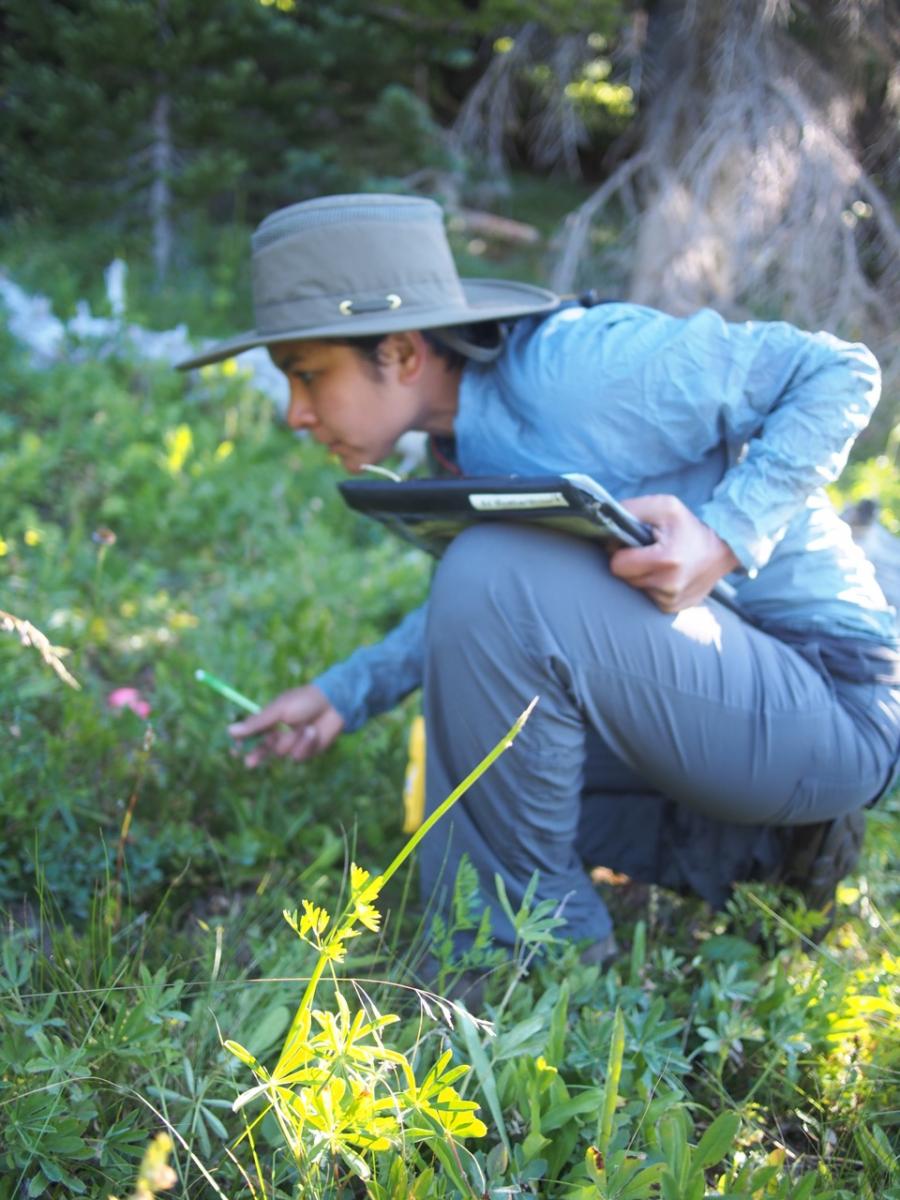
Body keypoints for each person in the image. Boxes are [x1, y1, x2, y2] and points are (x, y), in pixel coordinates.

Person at [178, 193, 900, 967]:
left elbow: (837, 371)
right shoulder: (458, 444)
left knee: (490, 575)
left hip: (832, 697)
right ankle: (759, 851)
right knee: (461, 782)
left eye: (307, 375)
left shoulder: (577, 369)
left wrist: (727, 533)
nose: (294, 411)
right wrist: (346, 693)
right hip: (722, 695)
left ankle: (529, 971)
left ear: (400, 353)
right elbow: (510, 626)